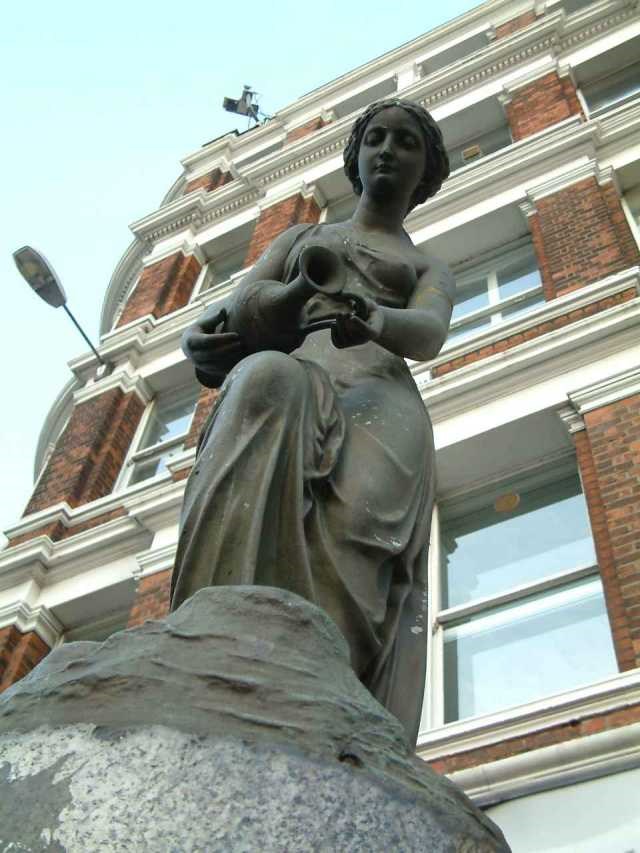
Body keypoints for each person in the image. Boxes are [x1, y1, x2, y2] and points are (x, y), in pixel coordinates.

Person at [171, 98, 454, 747]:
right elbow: (236, 308)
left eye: (405, 142)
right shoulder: (302, 239)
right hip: (296, 378)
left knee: (353, 549)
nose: (387, 149)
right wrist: (199, 338)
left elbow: (430, 329)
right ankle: (217, 636)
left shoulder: (426, 266)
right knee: (266, 377)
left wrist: (376, 318)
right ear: (354, 157)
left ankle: (329, 697)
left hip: (381, 405)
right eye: (375, 137)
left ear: (426, 169)